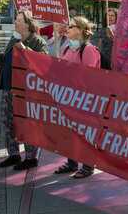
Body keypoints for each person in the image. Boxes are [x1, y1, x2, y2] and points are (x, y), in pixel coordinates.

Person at [0, 10, 48, 170]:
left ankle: (31, 157)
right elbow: (6, 61)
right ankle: (13, 155)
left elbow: (42, 63)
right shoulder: (13, 39)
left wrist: (25, 50)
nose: (15, 22)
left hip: (26, 92)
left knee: (28, 123)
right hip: (9, 88)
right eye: (16, 20)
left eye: (18, 20)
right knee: (7, 121)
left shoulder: (37, 41)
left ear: (28, 24)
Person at [53, 16, 101, 179]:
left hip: (84, 100)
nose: (67, 28)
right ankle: (71, 162)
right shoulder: (66, 49)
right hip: (69, 99)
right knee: (70, 131)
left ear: (80, 30)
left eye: (70, 26)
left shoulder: (88, 50)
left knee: (85, 132)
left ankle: (88, 165)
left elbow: (89, 77)